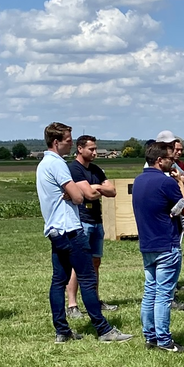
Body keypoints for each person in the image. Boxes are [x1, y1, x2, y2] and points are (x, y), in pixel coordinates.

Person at [36, 122, 132, 343]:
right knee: (87, 279)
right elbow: (80, 197)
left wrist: (75, 191)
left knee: (58, 280)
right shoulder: (59, 164)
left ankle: (62, 330)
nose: (71, 144)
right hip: (70, 229)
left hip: (54, 230)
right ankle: (104, 330)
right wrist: (76, 193)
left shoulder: (42, 164)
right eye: (68, 141)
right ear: (56, 142)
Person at [133, 142, 184, 352]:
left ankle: (150, 335)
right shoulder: (166, 182)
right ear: (159, 160)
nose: (173, 162)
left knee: (150, 291)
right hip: (167, 244)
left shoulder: (138, 180)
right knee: (164, 295)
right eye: (170, 159)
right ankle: (164, 340)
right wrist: (180, 184)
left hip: (147, 243)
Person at [66, 135, 117, 318]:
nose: (95, 152)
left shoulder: (95, 169)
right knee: (77, 263)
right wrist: (96, 189)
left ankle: (95, 300)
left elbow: (112, 191)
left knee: (95, 262)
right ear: (80, 149)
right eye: (91, 149)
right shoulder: (74, 169)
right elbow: (88, 194)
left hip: (96, 220)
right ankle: (72, 305)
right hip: (81, 220)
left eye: (96, 149)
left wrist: (96, 187)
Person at [156, 130, 184, 311]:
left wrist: (181, 180)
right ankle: (168, 296)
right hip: (168, 215)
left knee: (174, 251)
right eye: (172, 147)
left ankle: (170, 288)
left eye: (177, 148)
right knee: (169, 254)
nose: (176, 152)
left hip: (175, 212)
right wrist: (180, 182)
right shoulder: (160, 166)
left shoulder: (176, 164)